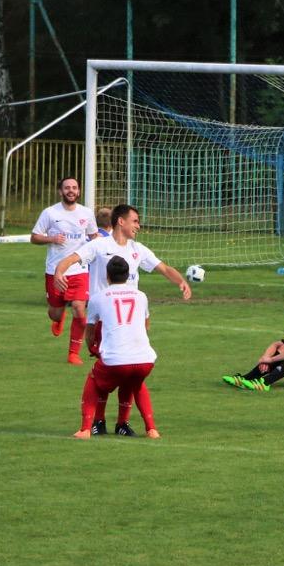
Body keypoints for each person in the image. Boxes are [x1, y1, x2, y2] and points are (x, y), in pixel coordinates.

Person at [55, 203, 190, 434]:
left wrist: (181, 282)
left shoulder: (138, 249)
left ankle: (121, 424)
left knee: (122, 374)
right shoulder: (99, 245)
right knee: (111, 373)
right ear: (121, 221)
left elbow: (164, 268)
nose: (138, 226)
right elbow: (72, 258)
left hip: (129, 321)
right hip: (103, 321)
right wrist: (59, 271)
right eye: (135, 221)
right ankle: (100, 422)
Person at [73, 256, 160, 440]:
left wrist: (93, 349)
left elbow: (90, 331)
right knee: (135, 383)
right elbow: (146, 326)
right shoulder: (141, 296)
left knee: (94, 381)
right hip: (145, 358)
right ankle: (151, 429)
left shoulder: (98, 298)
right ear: (128, 275)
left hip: (116, 359)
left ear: (107, 275)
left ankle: (86, 429)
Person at [30, 177, 99, 365]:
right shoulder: (50, 213)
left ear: (79, 191)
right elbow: (34, 237)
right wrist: (51, 239)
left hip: (79, 269)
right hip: (55, 271)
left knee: (79, 308)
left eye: (74, 188)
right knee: (55, 313)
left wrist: (100, 244)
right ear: (60, 191)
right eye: (67, 188)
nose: (71, 191)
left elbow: (93, 235)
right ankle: (58, 318)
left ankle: (73, 354)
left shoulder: (86, 213)